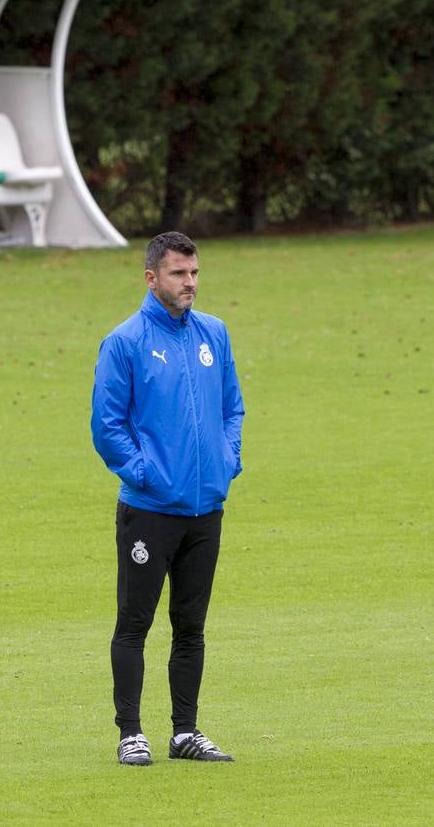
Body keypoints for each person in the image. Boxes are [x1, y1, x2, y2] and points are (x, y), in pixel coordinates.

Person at [90, 231, 245, 766]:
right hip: (150, 511)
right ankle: (130, 732)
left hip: (205, 508)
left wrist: (227, 463)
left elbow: (232, 409)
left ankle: (186, 732)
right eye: (180, 274)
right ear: (151, 277)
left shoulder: (215, 335)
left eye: (196, 273)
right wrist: (147, 476)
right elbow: (107, 427)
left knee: (191, 625)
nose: (191, 284)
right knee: (135, 624)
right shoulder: (125, 343)